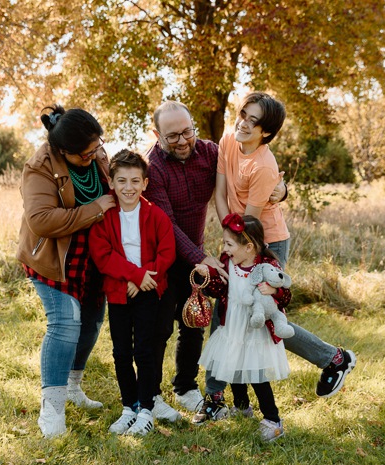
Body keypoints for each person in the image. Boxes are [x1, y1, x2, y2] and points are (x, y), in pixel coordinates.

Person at [193, 92, 356, 424]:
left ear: (266, 132)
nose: (244, 123)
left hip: (264, 241)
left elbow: (250, 226)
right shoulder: (227, 139)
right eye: (244, 115)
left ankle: (333, 358)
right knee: (228, 309)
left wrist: (234, 242)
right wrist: (227, 237)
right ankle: (219, 397)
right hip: (235, 235)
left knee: (263, 316)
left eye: (254, 122)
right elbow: (220, 194)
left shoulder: (264, 166)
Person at [145, 101, 288, 420]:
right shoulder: (152, 167)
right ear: (157, 135)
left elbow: (249, 173)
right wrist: (203, 257)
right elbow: (165, 225)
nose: (182, 141)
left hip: (194, 255)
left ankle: (185, 387)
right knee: (159, 329)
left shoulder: (209, 152)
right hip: (159, 256)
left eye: (187, 131)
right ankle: (151, 396)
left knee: (194, 321)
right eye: (172, 136)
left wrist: (281, 188)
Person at [16, 104, 116, 438]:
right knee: (65, 323)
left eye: (97, 148)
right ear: (63, 150)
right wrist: (94, 210)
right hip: (54, 258)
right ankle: (52, 410)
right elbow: (40, 220)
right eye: (86, 154)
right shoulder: (40, 167)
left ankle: (74, 387)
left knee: (91, 322)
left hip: (94, 256)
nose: (95, 155)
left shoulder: (96, 155)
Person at [89, 149, 176, 436]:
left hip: (149, 290)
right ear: (111, 183)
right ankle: (129, 406)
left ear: (145, 183)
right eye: (122, 181)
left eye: (135, 181)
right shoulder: (105, 217)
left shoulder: (156, 215)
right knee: (121, 351)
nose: (129, 188)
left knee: (145, 350)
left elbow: (167, 253)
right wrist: (134, 275)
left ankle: (147, 409)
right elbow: (103, 256)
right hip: (118, 291)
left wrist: (142, 278)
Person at [196, 213, 292, 442]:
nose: (225, 248)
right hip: (233, 326)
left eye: (229, 244)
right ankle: (242, 406)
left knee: (257, 375)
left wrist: (275, 292)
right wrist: (207, 277)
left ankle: (273, 419)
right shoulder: (228, 263)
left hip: (255, 330)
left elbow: (286, 294)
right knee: (234, 366)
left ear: (248, 247)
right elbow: (221, 290)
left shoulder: (267, 266)